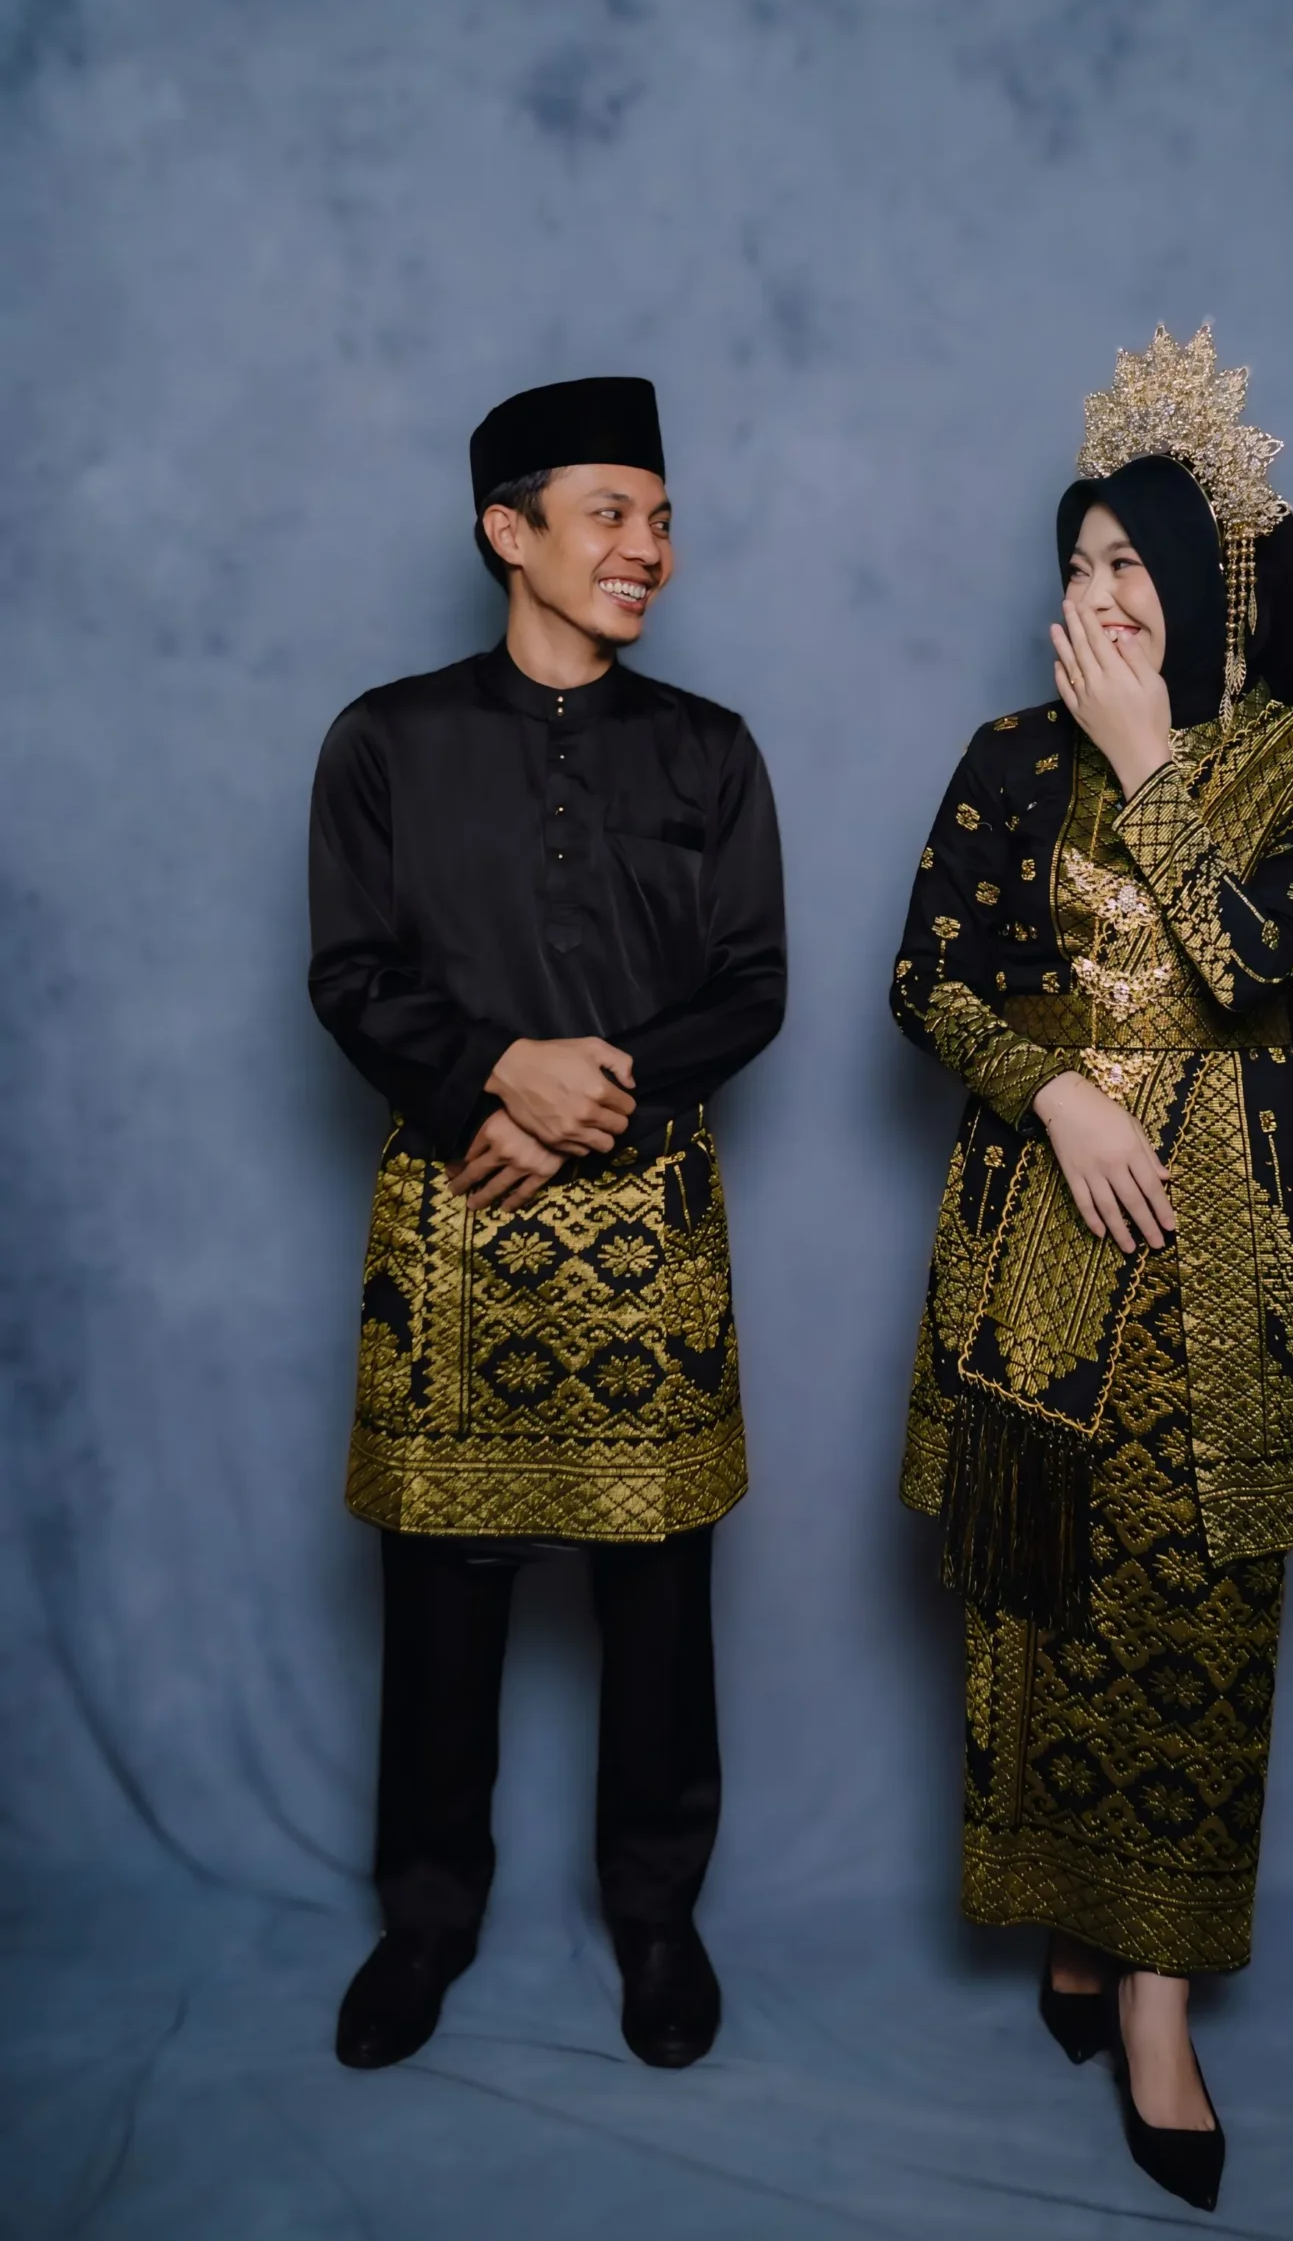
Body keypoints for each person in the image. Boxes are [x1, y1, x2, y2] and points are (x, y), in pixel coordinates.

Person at [890, 326, 1293, 2212]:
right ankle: (1072, 1927)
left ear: (1214, 584)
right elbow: (925, 978)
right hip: (1034, 1259)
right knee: (1037, 1612)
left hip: (1218, 1277)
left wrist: (1148, 759)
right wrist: (1058, 1095)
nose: (1097, 595)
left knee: (1193, 1634)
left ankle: (1159, 2006)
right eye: (1079, 562)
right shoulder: (1005, 758)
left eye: (1132, 563)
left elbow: (1252, 959)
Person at [309, 376, 785, 2074]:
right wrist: (492, 1075)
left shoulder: (711, 750)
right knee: (441, 1592)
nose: (648, 547)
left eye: (661, 518)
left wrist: (597, 1094)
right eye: (610, 514)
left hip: (647, 1216)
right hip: (458, 1215)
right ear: (508, 531)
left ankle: (656, 1919)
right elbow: (350, 973)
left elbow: (752, 986)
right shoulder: (386, 741)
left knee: (659, 1596)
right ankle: (427, 1919)